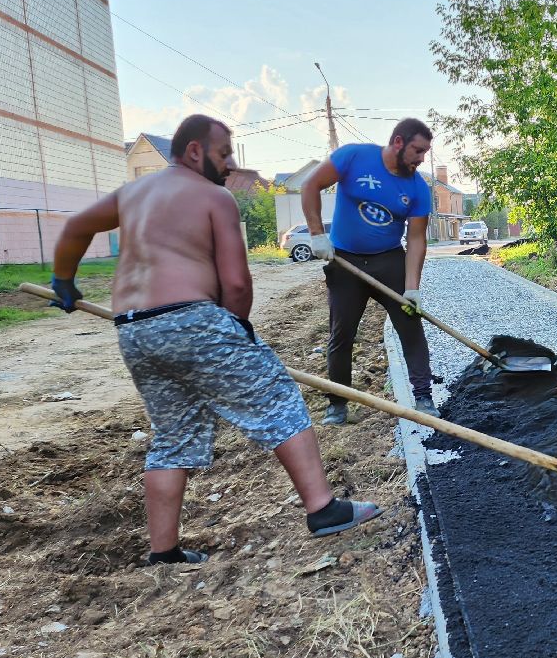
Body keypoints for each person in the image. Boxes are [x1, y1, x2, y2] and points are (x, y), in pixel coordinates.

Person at [47, 114, 379, 565]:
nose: (230, 164)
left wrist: (63, 281)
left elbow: (74, 229)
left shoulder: (131, 194)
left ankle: (163, 552)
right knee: (277, 395)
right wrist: (235, 330)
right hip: (191, 318)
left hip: (134, 329)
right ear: (195, 151)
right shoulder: (213, 196)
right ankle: (323, 509)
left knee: (173, 435)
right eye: (224, 154)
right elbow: (238, 285)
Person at [300, 118, 438, 424]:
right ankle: (337, 403)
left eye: (425, 152)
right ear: (398, 142)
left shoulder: (417, 188)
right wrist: (316, 234)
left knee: (411, 329)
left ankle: (424, 396)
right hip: (345, 262)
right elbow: (310, 184)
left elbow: (416, 239)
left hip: (389, 262)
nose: (421, 159)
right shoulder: (354, 157)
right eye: (418, 150)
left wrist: (412, 288)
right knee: (342, 332)